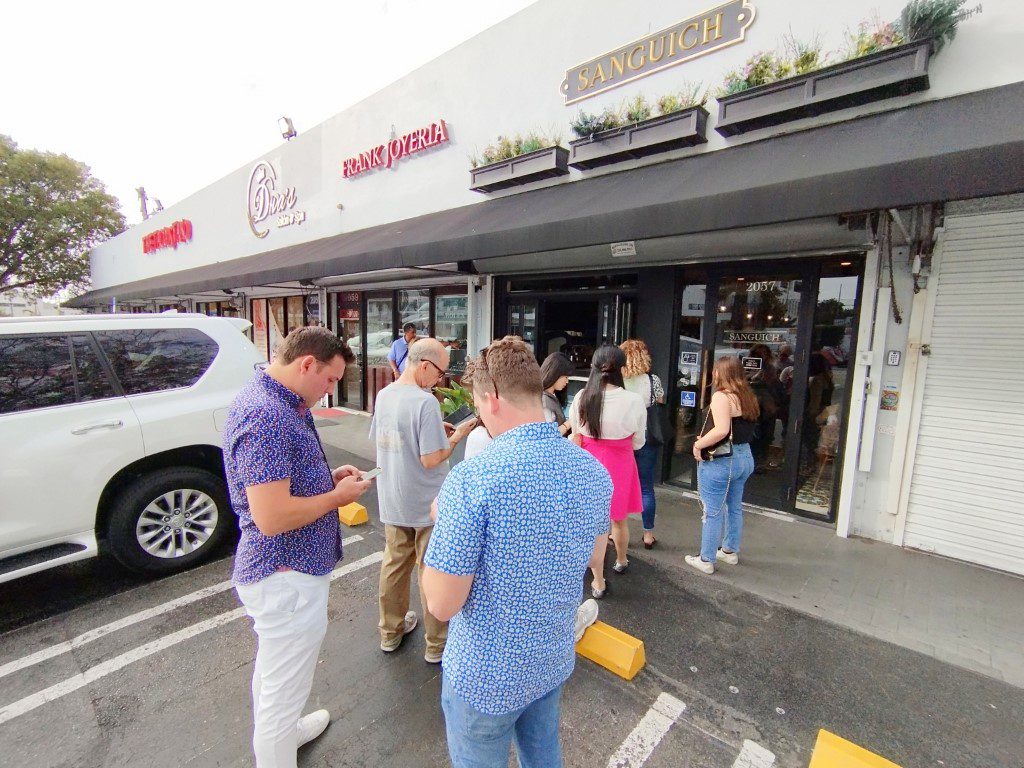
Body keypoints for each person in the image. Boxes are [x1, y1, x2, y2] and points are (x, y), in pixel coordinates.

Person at [422, 336, 611, 768]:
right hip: (551, 659)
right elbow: (593, 558)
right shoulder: (593, 472)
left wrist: (443, 523)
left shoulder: (472, 480)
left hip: (486, 677)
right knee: (544, 756)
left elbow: (441, 602)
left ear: (490, 398)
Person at [223, 327, 372, 768]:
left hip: (289, 571)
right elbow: (271, 518)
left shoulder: (283, 402)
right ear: (307, 363)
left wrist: (327, 481)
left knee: (277, 678)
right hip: (284, 573)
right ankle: (278, 747)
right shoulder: (267, 415)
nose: (330, 392)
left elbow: (283, 486)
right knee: (282, 687)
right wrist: (335, 498)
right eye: (329, 380)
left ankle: (285, 734)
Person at [370, 337, 476, 663]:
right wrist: (457, 436)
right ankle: (436, 645)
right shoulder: (425, 402)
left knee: (393, 565)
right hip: (427, 501)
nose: (440, 380)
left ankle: (390, 633)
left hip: (392, 498)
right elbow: (431, 459)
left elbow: (385, 438)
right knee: (430, 569)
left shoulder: (384, 394)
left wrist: (434, 431)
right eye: (440, 373)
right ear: (425, 365)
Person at [568, 344, 646, 598]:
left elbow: (575, 438)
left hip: (588, 464)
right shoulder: (634, 401)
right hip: (620, 462)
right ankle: (621, 559)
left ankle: (597, 580)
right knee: (618, 519)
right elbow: (638, 442)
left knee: (590, 524)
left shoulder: (582, 397)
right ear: (622, 369)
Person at [685, 356, 759, 575]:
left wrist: (698, 444)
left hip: (724, 460)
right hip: (745, 457)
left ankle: (706, 558)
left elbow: (721, 430)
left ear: (721, 373)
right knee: (734, 506)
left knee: (713, 511)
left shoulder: (721, 397)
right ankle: (729, 551)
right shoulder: (747, 396)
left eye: (716, 371)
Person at [620, 339, 665, 549]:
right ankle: (648, 534)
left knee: (620, 486)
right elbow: (661, 400)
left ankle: (617, 532)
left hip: (622, 438)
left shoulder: (617, 379)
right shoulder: (652, 379)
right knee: (646, 487)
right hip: (647, 437)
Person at [540, 351, 574, 436]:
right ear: (554, 373)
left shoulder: (551, 395)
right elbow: (549, 435)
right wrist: (569, 423)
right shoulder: (544, 400)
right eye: (565, 377)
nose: (567, 381)